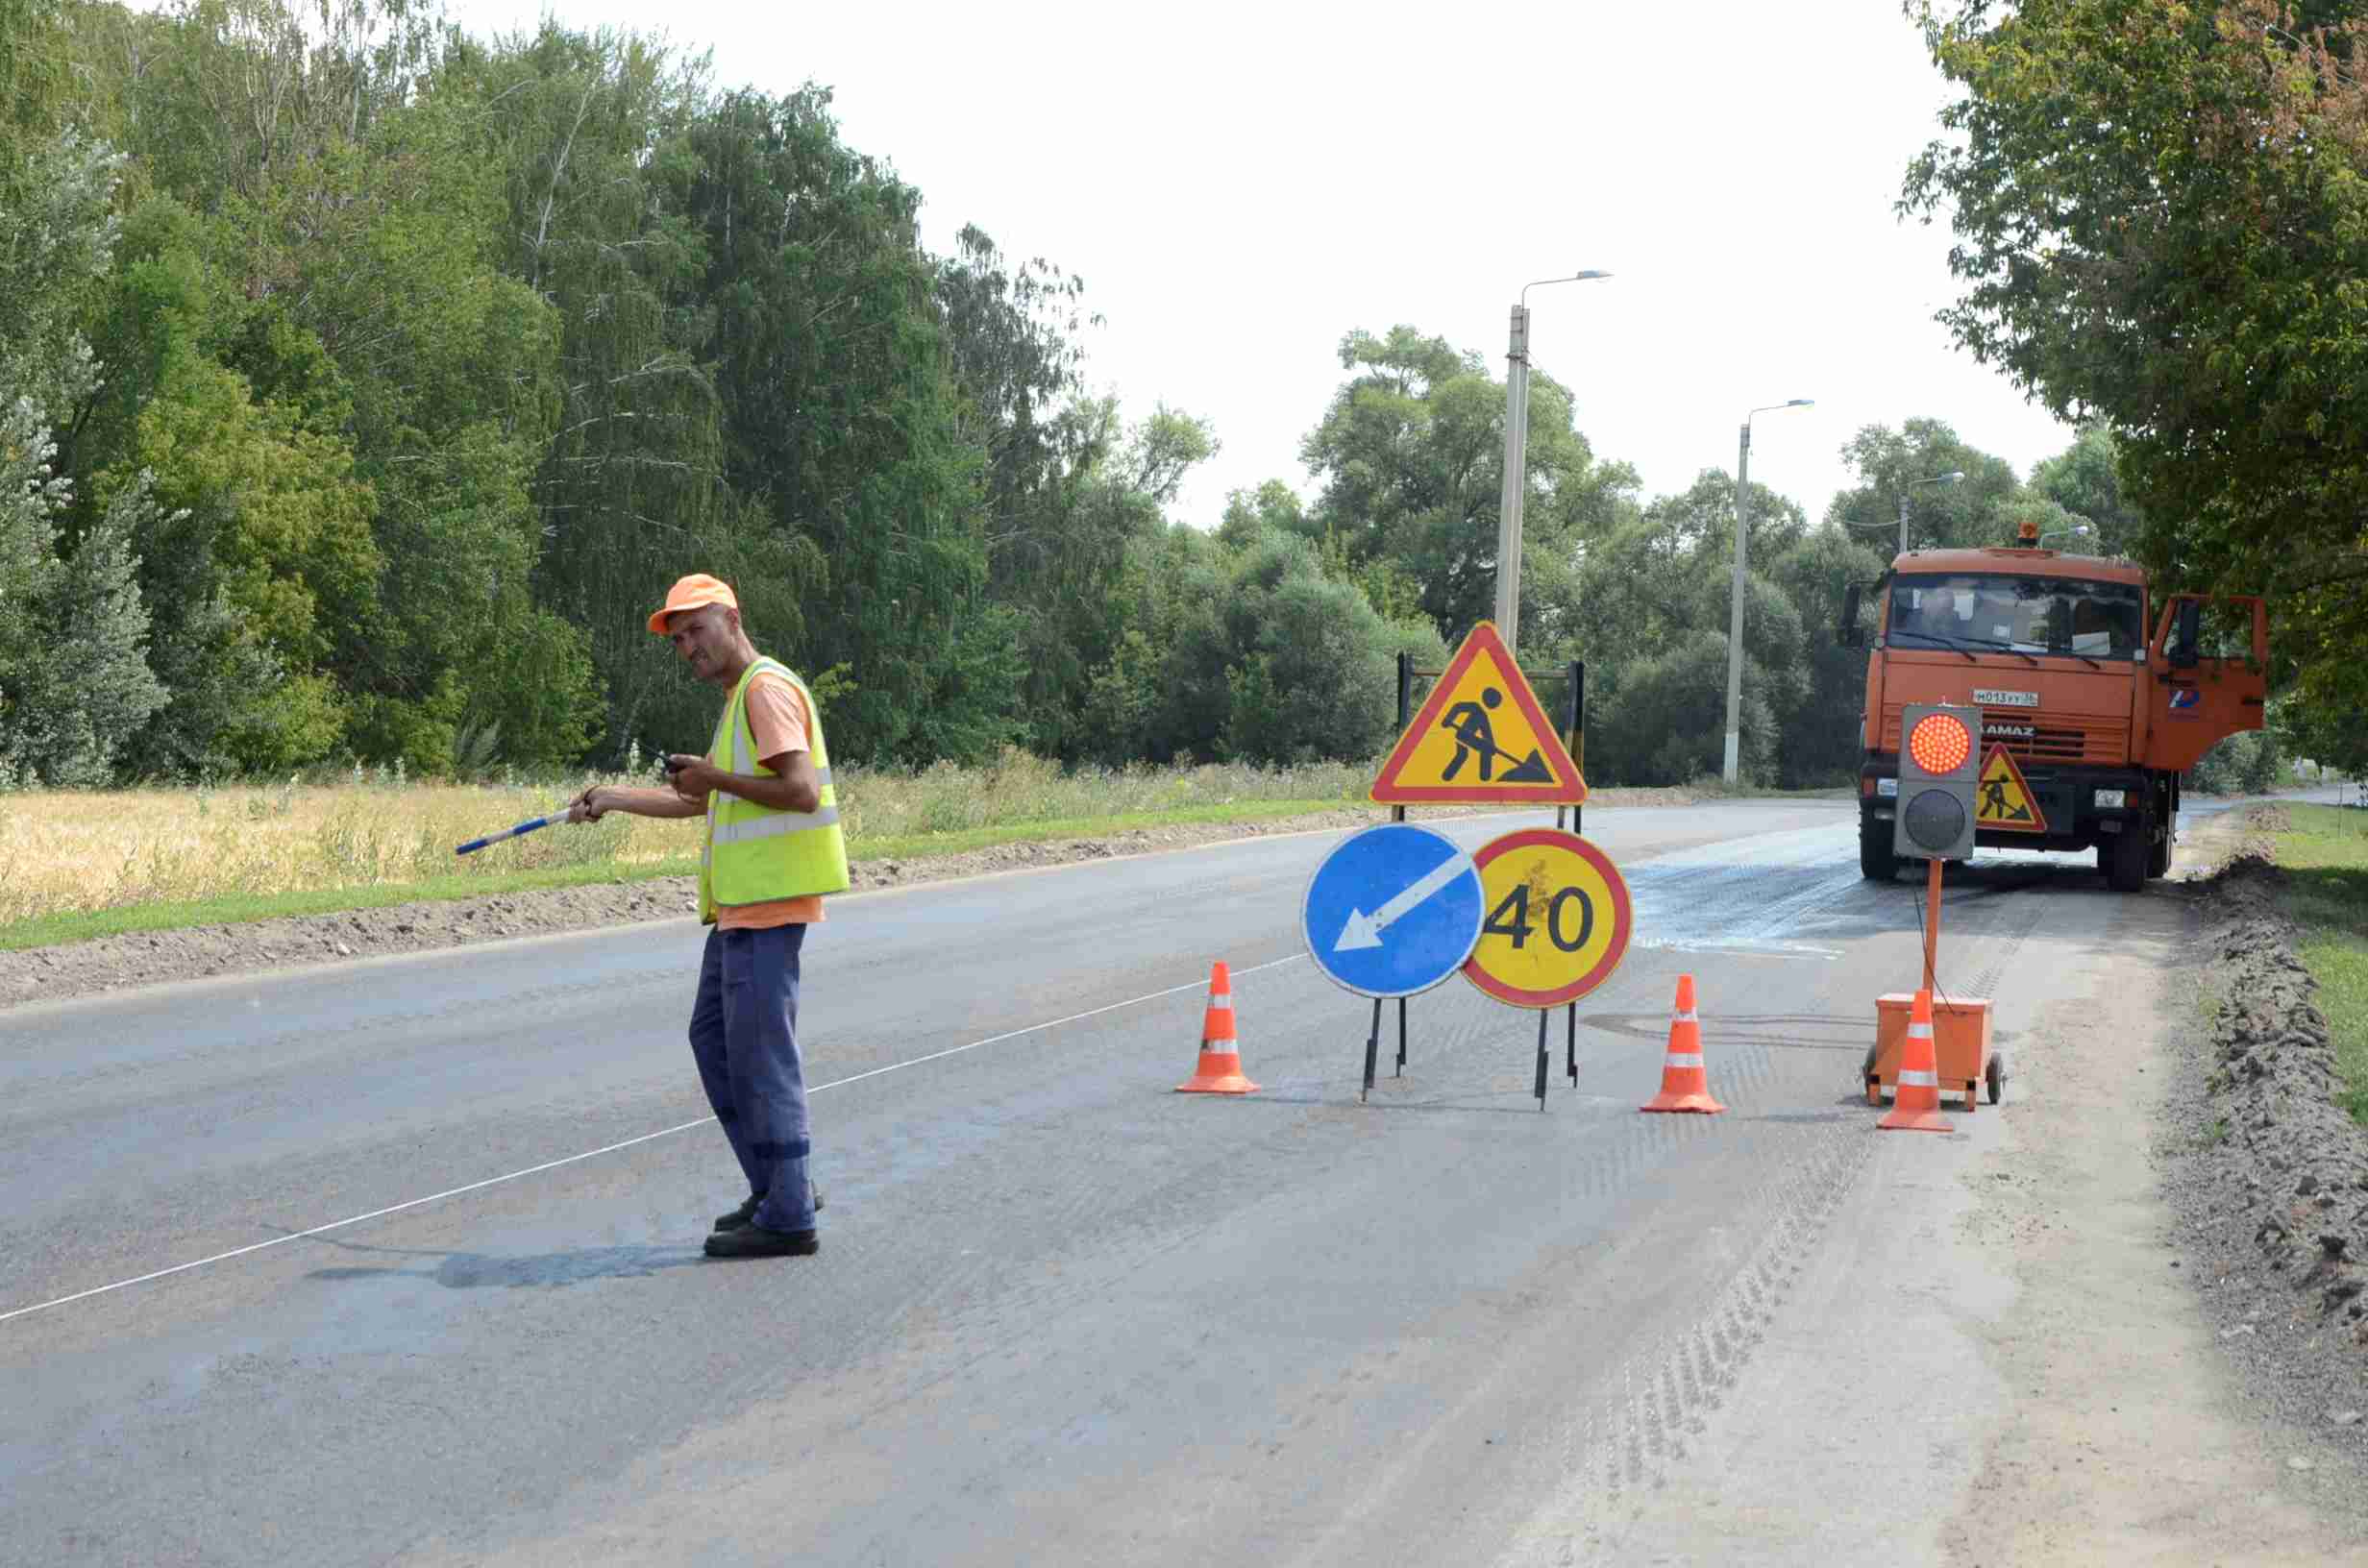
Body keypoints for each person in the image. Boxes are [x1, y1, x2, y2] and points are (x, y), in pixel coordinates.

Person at [568, 574, 850, 1260]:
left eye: (696, 629)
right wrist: (614, 799)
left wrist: (714, 778)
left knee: (760, 1057)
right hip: (739, 913)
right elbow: (707, 801)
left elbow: (800, 792)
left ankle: (788, 1214)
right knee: (716, 1043)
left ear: (732, 618)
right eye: (678, 638)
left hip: (769, 908)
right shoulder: (736, 701)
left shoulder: (764, 689)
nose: (687, 646)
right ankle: (779, 1186)